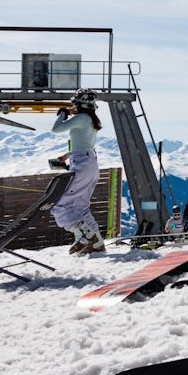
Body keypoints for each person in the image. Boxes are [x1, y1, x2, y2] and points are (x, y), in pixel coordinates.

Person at [51, 88, 106, 255]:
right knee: (80, 206)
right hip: (89, 162)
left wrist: (62, 113)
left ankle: (89, 238)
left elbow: (56, 129)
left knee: (60, 204)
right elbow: (84, 145)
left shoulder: (81, 118)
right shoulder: (90, 119)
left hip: (81, 164)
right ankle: (92, 241)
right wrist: (67, 156)